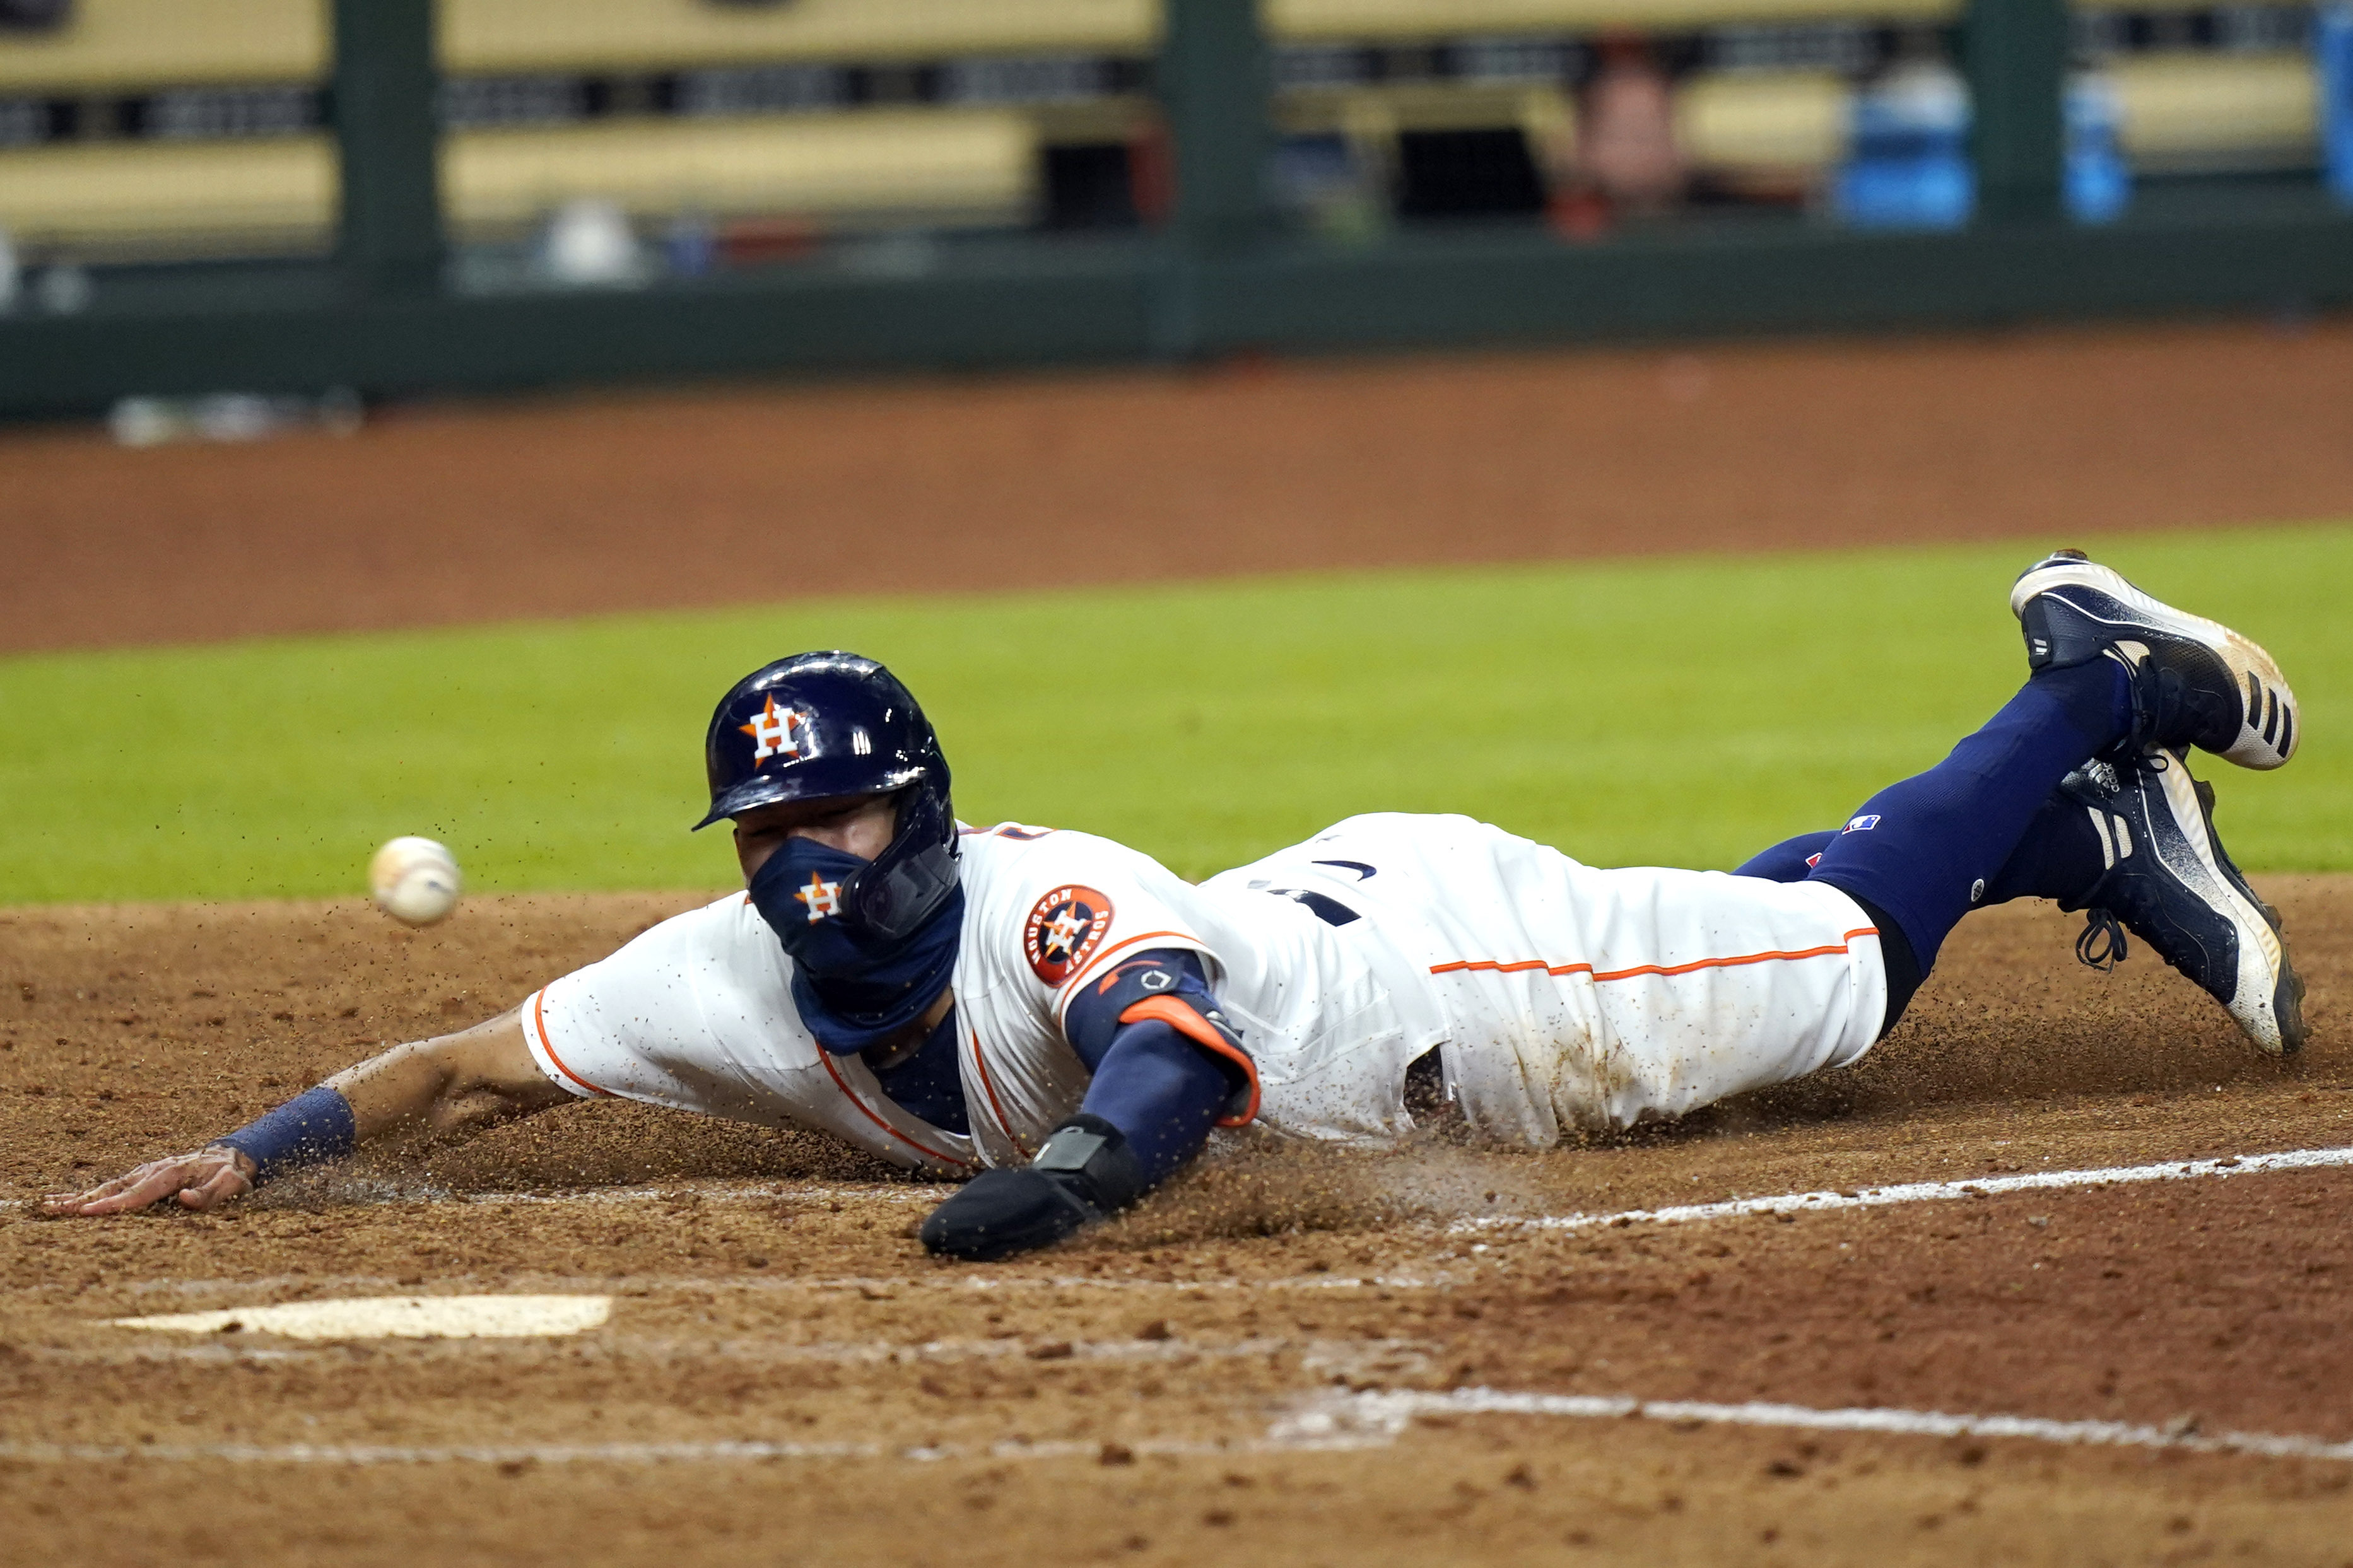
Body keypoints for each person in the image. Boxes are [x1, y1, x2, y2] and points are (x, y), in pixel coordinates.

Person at [45, 551, 2306, 1261]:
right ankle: (2081, 833)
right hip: (1398, 948)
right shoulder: (716, 974)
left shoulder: (1045, 906)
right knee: (1732, 923)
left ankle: (2086, 689)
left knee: (1828, 980)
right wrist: (253, 1154)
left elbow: (1167, 1056)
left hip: (1452, 988)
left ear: (922, 819)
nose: (793, 871)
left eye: (828, 829)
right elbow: (460, 1073)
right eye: (763, 839)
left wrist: (1068, 1182)